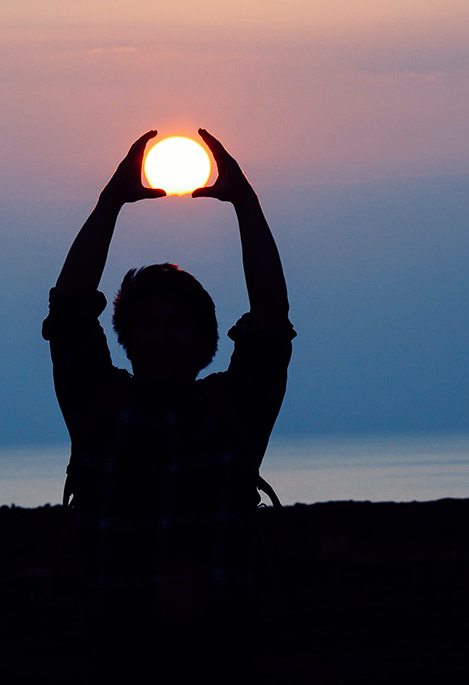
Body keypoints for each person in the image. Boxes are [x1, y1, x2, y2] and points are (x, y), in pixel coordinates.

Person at [42, 129, 294, 677]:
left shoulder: (235, 412)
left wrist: (245, 203)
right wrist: (111, 201)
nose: (162, 337)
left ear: (207, 341)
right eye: (149, 325)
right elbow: (69, 314)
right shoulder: (98, 406)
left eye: (177, 326)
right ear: (128, 338)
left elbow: (272, 323)